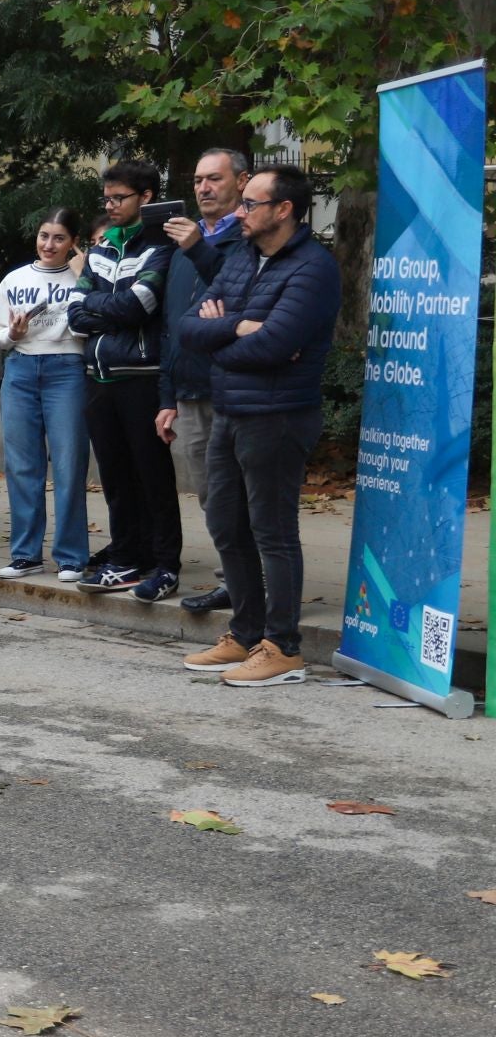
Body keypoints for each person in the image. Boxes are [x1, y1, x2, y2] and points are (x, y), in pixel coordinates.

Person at [176, 165, 338, 687]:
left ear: (283, 209)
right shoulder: (244, 257)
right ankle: (245, 635)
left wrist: (218, 335)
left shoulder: (314, 268)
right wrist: (235, 327)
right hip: (230, 411)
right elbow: (186, 329)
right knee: (226, 525)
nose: (238, 212)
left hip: (278, 416)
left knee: (272, 531)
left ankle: (283, 647)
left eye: (249, 203)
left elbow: (275, 345)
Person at [67, 158, 181, 601]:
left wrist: (98, 307)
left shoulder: (161, 247)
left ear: (146, 197)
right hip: (99, 377)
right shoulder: (100, 249)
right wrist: (101, 307)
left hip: (141, 377)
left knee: (151, 475)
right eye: (107, 198)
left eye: (120, 198)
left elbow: (141, 306)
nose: (110, 206)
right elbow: (74, 314)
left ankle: (165, 563)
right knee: (115, 476)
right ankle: (128, 558)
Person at [159, 148, 251, 614]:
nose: (203, 188)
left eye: (214, 178)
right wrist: (167, 394)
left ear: (241, 181)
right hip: (188, 391)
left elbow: (240, 291)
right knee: (211, 494)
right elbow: (170, 325)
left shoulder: (249, 236)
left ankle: (251, 586)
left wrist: (199, 247)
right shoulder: (184, 244)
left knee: (242, 493)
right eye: (197, 180)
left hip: (232, 388)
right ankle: (233, 577)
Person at [0, 208, 89, 582]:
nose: (49, 244)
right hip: (21, 369)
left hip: (67, 369)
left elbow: (91, 325)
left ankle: (71, 556)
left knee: (69, 464)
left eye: (59, 238)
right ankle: (26, 554)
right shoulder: (15, 279)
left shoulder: (81, 277)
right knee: (22, 466)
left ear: (72, 242)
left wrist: (84, 277)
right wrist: (13, 333)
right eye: (44, 236)